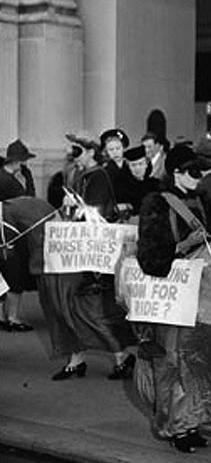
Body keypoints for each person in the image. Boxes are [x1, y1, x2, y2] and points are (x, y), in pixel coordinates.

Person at [134, 143, 211, 453]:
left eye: (200, 172)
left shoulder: (203, 198)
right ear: (176, 173)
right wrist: (181, 248)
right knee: (172, 363)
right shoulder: (156, 203)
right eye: (192, 172)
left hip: (201, 292)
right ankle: (175, 426)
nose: (198, 178)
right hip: (171, 294)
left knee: (197, 362)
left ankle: (192, 421)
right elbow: (148, 256)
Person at [46, 132, 135, 381]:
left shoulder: (98, 176)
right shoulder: (79, 174)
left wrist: (73, 207)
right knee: (71, 305)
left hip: (95, 254)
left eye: (78, 151)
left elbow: (93, 214)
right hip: (82, 249)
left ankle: (121, 357)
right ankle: (77, 359)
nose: (73, 156)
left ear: (91, 152)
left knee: (90, 309)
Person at [0, 139, 37, 332]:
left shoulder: (11, 176)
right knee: (14, 276)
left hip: (10, 233)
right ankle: (12, 318)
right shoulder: (7, 180)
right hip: (11, 233)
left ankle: (6, 316)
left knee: (7, 276)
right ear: (16, 161)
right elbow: (27, 201)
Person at [114, 145, 160, 220]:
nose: (138, 168)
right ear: (128, 166)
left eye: (140, 164)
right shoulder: (120, 185)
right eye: (133, 165)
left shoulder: (155, 185)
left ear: (146, 164)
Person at [100, 128, 130, 200]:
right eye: (111, 149)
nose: (115, 152)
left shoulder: (130, 166)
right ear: (106, 152)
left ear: (123, 148)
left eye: (118, 148)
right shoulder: (105, 171)